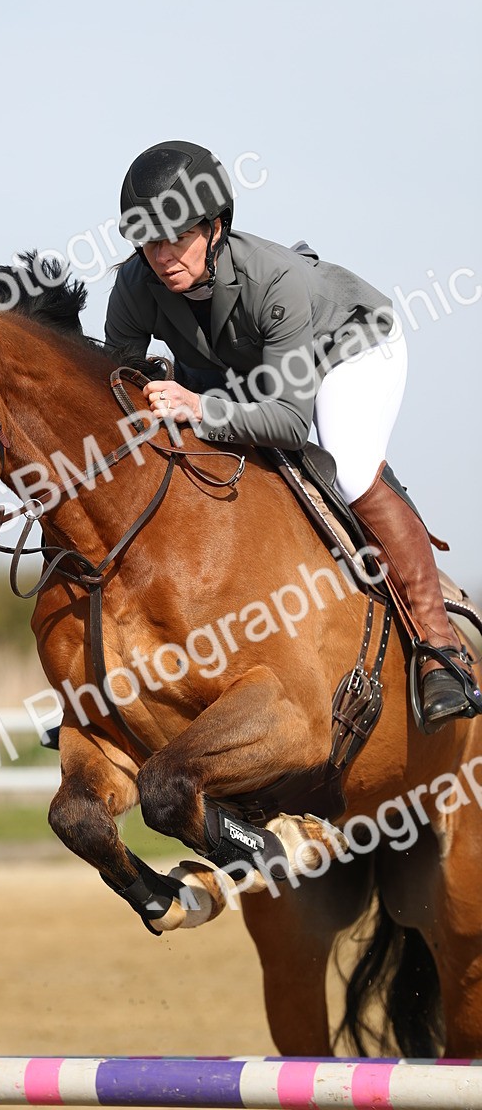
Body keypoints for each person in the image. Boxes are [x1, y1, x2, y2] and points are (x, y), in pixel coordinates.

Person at [106, 139, 479, 732]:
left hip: (346, 349)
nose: (162, 255)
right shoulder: (133, 287)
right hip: (244, 373)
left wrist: (197, 404)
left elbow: (285, 420)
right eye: (149, 240)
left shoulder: (275, 280)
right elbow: (115, 396)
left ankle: (441, 652)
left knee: (348, 466)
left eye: (178, 236)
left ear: (216, 227)